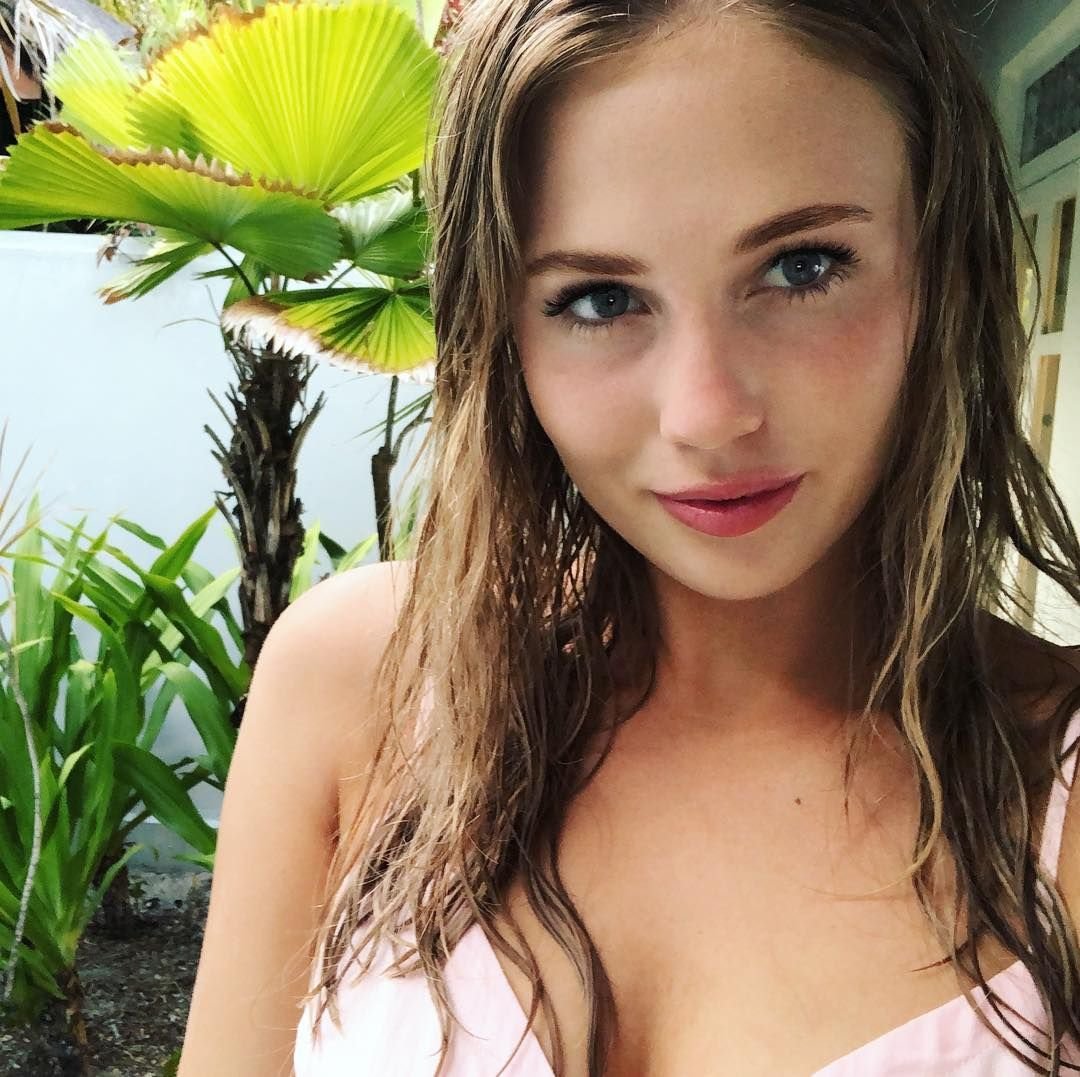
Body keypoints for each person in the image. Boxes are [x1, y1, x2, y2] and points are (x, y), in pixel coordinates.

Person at [179, 1, 1080, 1075]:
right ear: (500, 330)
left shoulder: (1056, 790)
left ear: (943, 271)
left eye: (803, 267)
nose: (707, 413)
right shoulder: (355, 683)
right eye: (600, 298)